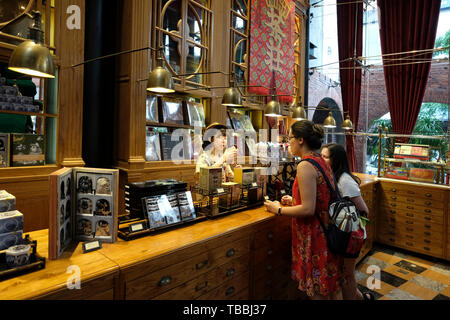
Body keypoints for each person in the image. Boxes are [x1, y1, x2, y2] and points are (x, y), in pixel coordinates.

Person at [264, 120, 342, 300]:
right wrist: (294, 200)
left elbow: (308, 209)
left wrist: (278, 210)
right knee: (326, 289)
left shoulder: (305, 165)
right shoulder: (319, 160)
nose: (288, 142)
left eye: (289, 138)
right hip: (325, 231)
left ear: (300, 140)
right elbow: (320, 197)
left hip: (314, 237)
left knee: (317, 293)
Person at [321, 143, 373, 300]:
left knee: (347, 276)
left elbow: (364, 211)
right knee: (343, 274)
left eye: (325, 157)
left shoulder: (345, 181)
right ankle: (364, 298)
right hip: (341, 233)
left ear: (335, 160)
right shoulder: (332, 177)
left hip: (351, 235)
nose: (321, 160)